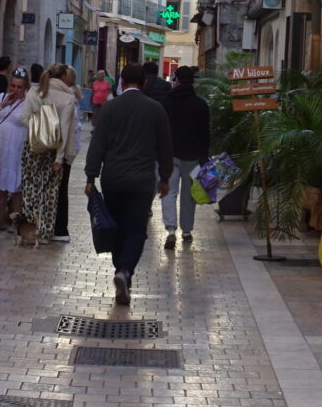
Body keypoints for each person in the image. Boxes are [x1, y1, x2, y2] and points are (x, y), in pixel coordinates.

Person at [84, 63, 173, 306]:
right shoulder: (155, 110)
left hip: (113, 178)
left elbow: (97, 144)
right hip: (142, 180)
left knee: (116, 227)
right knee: (136, 229)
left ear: (121, 82)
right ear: (144, 83)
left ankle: (119, 268)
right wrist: (164, 177)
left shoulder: (111, 108)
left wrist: (91, 176)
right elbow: (165, 147)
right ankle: (125, 271)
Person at [19, 63, 76, 243]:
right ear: (64, 78)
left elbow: (23, 118)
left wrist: (38, 132)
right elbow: (65, 130)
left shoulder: (34, 92)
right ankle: (45, 232)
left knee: (30, 188)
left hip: (33, 148)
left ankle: (29, 229)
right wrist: (60, 158)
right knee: (50, 191)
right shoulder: (67, 98)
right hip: (54, 150)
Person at [161, 65, 210, 249]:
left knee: (169, 192)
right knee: (189, 195)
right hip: (193, 157)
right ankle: (187, 231)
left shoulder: (166, 102)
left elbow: (161, 130)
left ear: (177, 80)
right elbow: (205, 134)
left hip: (170, 154)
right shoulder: (201, 104)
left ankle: (171, 230)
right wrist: (204, 155)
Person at [0, 67, 30, 231]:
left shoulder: (28, 102)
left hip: (17, 148)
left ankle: (16, 222)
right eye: (13, 86)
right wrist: (5, 103)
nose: (15, 90)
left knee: (16, 187)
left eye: (19, 87)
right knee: (0, 184)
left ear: (25, 87)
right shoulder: (1, 97)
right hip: (1, 148)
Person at [53, 66, 83, 242]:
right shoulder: (72, 96)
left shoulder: (67, 98)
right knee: (61, 188)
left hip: (61, 150)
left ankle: (58, 227)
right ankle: (59, 228)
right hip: (69, 151)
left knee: (57, 188)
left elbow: (70, 127)